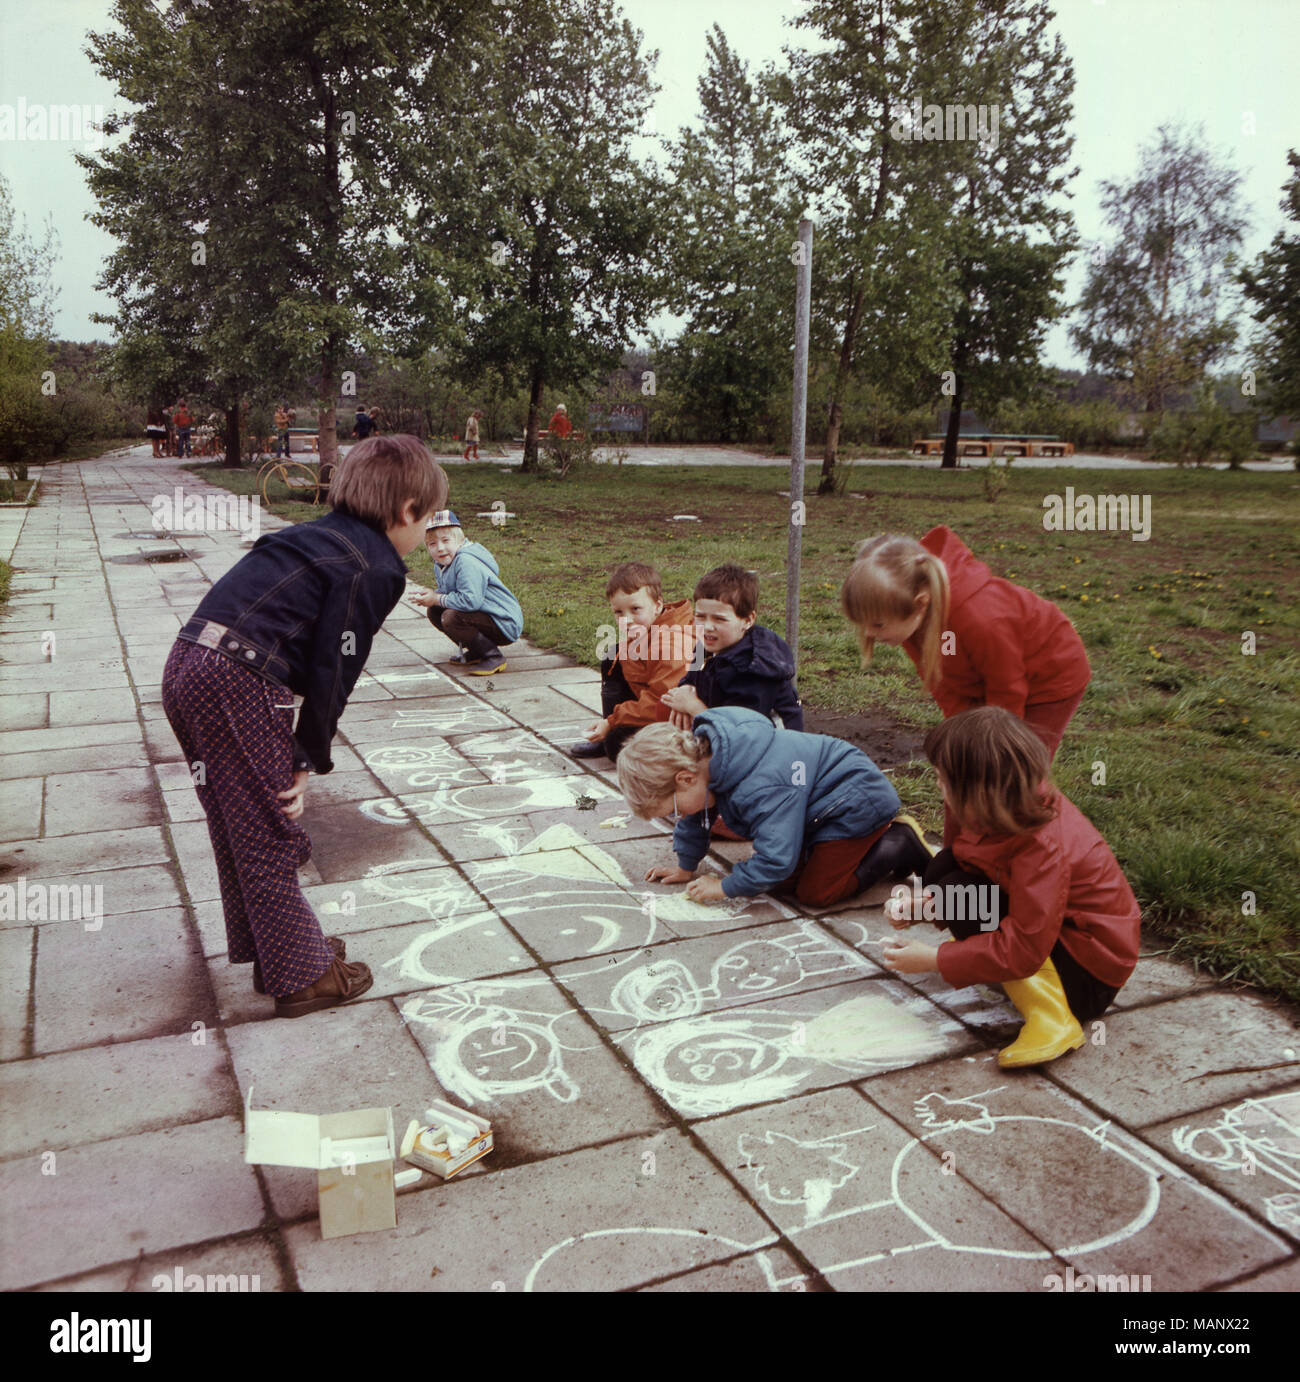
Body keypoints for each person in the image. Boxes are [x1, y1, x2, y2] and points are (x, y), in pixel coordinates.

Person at [161, 435, 448, 1016]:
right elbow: (333, 668)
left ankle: (283, 948)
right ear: (407, 511)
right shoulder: (376, 566)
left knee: (239, 818)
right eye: (429, 519)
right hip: (234, 678)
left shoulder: (313, 535)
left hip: (187, 661)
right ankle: (302, 978)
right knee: (270, 822)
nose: (425, 534)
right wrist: (306, 756)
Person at [880, 706, 1140, 1068]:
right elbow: (978, 861)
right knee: (945, 870)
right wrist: (927, 905)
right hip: (1060, 938)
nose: (937, 784)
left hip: (1088, 975)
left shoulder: (1044, 846)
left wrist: (937, 960)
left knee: (958, 888)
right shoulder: (1009, 802)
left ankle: (1053, 1018)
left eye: (942, 778)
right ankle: (993, 966)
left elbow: (1023, 947)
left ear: (976, 788)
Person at [617, 707, 933, 908]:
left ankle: (898, 844)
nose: (677, 817)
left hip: (855, 804)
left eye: (673, 810)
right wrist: (686, 866)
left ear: (685, 778)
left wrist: (725, 887)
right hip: (815, 806)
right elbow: (695, 817)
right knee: (778, 883)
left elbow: (776, 860)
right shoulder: (706, 764)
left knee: (815, 894)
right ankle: (831, 851)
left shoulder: (761, 784)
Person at [841, 526, 1090, 761]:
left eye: (877, 625)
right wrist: (963, 734)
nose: (868, 633)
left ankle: (1030, 804)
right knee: (966, 765)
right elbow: (944, 681)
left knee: (1018, 769)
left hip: (1049, 677)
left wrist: (995, 749)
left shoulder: (981, 618)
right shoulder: (910, 620)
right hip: (988, 678)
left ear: (920, 603)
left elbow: (1006, 690)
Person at [570, 561, 696, 762]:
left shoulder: (673, 644)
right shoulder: (646, 628)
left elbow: (662, 703)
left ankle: (611, 735)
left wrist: (613, 722)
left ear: (657, 605)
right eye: (619, 612)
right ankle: (607, 734)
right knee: (614, 654)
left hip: (678, 718)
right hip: (654, 708)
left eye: (635, 609)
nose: (626, 619)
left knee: (616, 746)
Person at [662, 564, 802, 731]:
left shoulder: (753, 670)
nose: (707, 627)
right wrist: (685, 688)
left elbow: (741, 733)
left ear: (748, 620)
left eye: (719, 619)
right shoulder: (705, 645)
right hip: (719, 728)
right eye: (700, 616)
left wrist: (693, 707)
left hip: (770, 748)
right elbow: (691, 677)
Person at [408, 509, 522, 676]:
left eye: (446, 540)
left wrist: (437, 598)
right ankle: (477, 651)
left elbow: (470, 601)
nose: (440, 548)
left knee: (451, 617)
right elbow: (450, 593)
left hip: (504, 621)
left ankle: (493, 656)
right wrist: (431, 595)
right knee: (435, 610)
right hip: (485, 614)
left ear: (460, 540)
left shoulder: (466, 562)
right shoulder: (441, 562)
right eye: (432, 544)